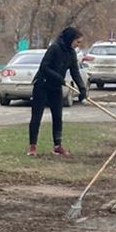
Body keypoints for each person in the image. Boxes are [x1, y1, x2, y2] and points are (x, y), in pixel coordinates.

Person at [27, 26, 86, 158]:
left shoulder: (71, 53)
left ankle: (57, 146)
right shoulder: (55, 48)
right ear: (71, 39)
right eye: (78, 42)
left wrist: (82, 88)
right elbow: (44, 67)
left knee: (58, 117)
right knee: (37, 116)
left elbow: (75, 72)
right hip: (42, 84)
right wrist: (59, 78)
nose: (78, 45)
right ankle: (32, 146)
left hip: (56, 87)